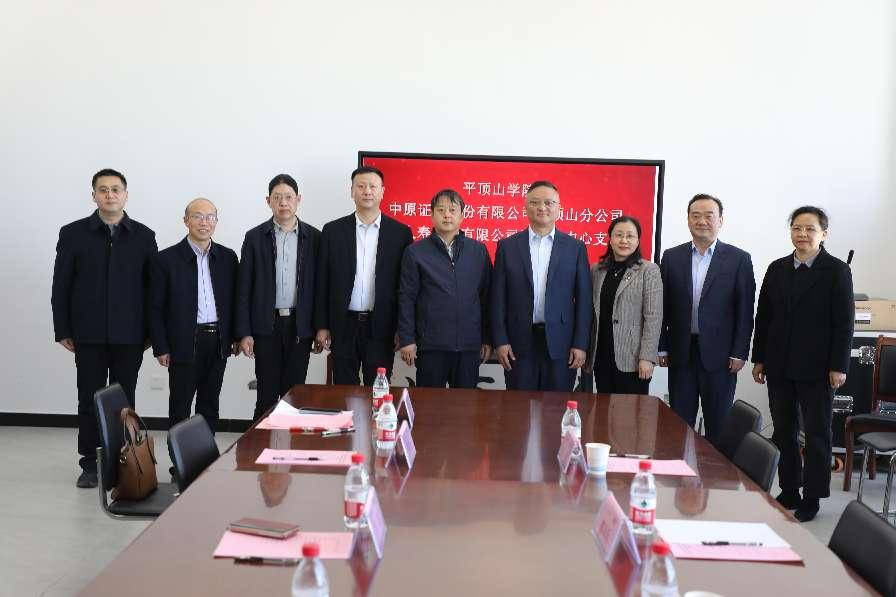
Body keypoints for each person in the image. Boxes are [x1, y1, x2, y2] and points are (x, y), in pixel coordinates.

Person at [51, 168, 157, 488]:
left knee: (124, 402)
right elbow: (61, 285)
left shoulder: (144, 236)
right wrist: (62, 328)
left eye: (115, 189)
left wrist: (151, 333)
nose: (109, 194)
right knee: (89, 399)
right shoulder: (73, 234)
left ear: (126, 195)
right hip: (88, 333)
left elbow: (152, 290)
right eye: (103, 189)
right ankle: (90, 464)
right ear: (94, 195)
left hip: (130, 334)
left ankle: (123, 462)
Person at [751, 206, 853, 522]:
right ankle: (790, 489)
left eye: (810, 229)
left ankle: (812, 496)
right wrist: (759, 358)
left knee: (817, 433)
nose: (803, 234)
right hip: (779, 364)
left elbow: (844, 323)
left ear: (823, 234)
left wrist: (839, 365)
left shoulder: (836, 270)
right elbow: (764, 317)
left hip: (818, 368)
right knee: (784, 431)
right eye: (797, 228)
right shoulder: (777, 268)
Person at [657, 194, 755, 445]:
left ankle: (715, 470)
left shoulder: (738, 259)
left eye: (709, 215)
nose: (702, 221)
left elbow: (745, 311)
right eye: (696, 215)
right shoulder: (671, 257)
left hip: (721, 357)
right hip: (681, 352)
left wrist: (739, 352)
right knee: (679, 423)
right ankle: (680, 469)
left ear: (720, 220)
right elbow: (662, 305)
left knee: (718, 424)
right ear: (688, 220)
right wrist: (662, 345)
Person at [314, 166, 413, 385]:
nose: (367, 191)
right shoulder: (333, 231)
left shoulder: (400, 233)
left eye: (372, 186)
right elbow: (322, 282)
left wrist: (402, 329)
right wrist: (322, 325)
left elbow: (405, 287)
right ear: (352, 191)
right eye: (361, 186)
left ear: (382, 191)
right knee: (343, 390)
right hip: (343, 324)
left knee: (377, 389)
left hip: (382, 326)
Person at [491, 180, 592, 391]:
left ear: (559, 208)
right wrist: (500, 341)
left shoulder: (575, 248)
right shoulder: (507, 246)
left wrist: (580, 344)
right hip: (517, 342)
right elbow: (497, 299)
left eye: (548, 202)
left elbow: (584, 301)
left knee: (556, 405)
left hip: (562, 343)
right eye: (535, 202)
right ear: (525, 207)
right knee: (518, 406)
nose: (542, 207)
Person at [149, 198, 238, 433]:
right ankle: (179, 457)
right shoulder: (166, 260)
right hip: (184, 341)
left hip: (218, 341)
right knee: (180, 407)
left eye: (210, 217)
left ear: (216, 221)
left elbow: (235, 301)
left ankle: (205, 456)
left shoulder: (228, 258)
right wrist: (161, 346)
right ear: (186, 220)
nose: (204, 222)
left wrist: (236, 337)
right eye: (197, 216)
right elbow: (155, 308)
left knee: (210, 405)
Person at [236, 174, 320, 420]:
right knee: (266, 394)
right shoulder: (254, 237)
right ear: (268, 201)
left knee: (294, 396)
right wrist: (244, 332)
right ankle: (260, 444)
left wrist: (320, 327)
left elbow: (320, 287)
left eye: (288, 197)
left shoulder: (314, 237)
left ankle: (290, 444)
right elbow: (244, 288)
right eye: (277, 197)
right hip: (266, 326)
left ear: (298, 199)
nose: (283, 202)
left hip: (299, 326)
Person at [397, 189, 492, 388]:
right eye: (441, 210)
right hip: (431, 345)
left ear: (462, 215)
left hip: (468, 346)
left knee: (465, 405)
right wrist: (407, 339)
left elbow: (487, 298)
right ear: (432, 215)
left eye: (452, 210)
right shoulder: (415, 252)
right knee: (429, 403)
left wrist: (487, 338)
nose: (447, 215)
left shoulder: (478, 251)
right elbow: (406, 298)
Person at [583, 216, 662, 394]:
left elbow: (654, 317)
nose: (624, 240)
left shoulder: (649, 271)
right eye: (619, 235)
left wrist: (647, 357)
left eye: (630, 236)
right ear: (610, 239)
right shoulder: (597, 269)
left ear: (638, 241)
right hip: (601, 353)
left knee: (631, 409)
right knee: (603, 407)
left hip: (633, 358)